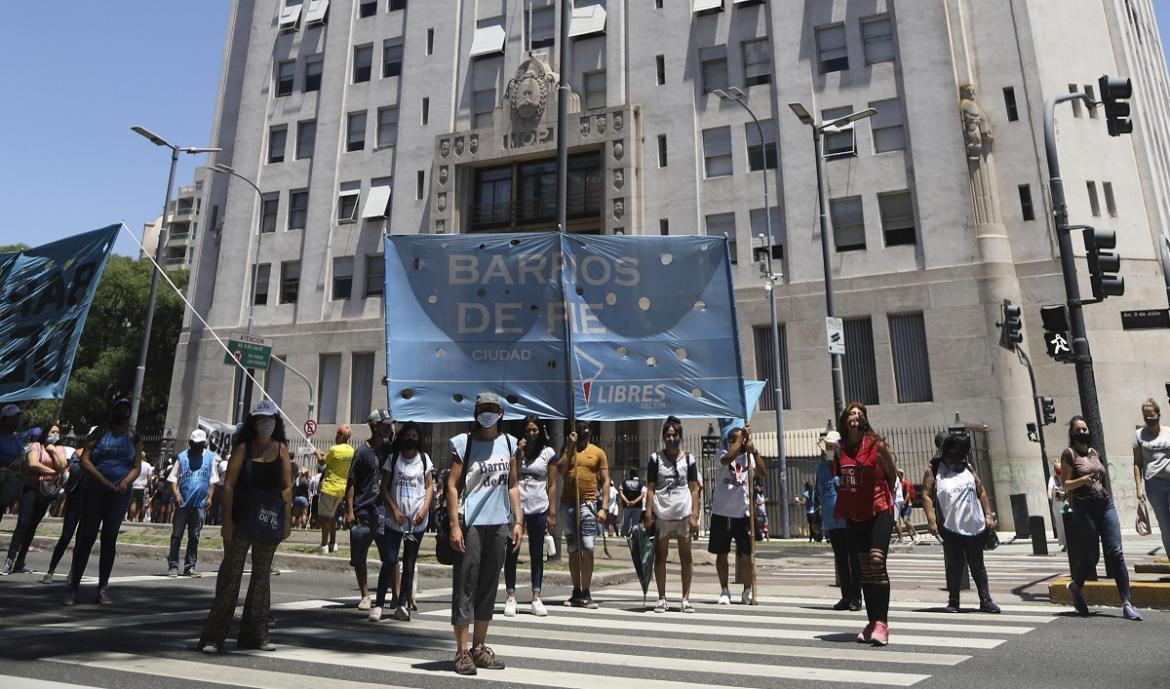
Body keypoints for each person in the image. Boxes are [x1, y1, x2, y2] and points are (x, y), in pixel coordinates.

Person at [199, 399, 293, 652]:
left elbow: (287, 488)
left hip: (268, 521)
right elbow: (228, 485)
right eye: (261, 419)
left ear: (276, 422)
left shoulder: (282, 450)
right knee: (231, 575)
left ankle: (256, 635)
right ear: (253, 423)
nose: (266, 424)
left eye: (270, 419)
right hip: (241, 519)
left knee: (261, 578)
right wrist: (226, 520)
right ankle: (213, 636)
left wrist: (287, 522)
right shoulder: (243, 448)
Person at [446, 393, 523, 675]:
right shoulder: (463, 443)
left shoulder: (509, 443)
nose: (487, 414)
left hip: (499, 523)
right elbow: (452, 486)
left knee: (489, 586)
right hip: (472, 524)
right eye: (483, 410)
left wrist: (518, 520)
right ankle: (462, 651)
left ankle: (479, 647)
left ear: (501, 412)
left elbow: (513, 485)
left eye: (492, 409)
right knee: (466, 584)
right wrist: (455, 525)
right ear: (475, 412)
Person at [1062, 415, 1142, 620]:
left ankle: (1127, 603)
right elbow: (1065, 485)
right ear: (1072, 433)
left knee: (1116, 552)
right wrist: (1082, 480)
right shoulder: (1069, 454)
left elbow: (1101, 476)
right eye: (1078, 429)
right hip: (1084, 507)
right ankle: (1076, 586)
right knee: (1091, 556)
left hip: (1105, 504)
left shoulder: (1094, 452)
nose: (1082, 432)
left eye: (1085, 429)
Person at [65, 398, 143, 605]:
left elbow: (137, 465)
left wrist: (125, 482)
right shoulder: (99, 433)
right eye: (120, 409)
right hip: (95, 491)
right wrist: (103, 480)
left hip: (119, 494)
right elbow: (85, 460)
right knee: (87, 537)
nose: (123, 414)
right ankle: (73, 588)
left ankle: (102, 589)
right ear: (114, 411)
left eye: (127, 411)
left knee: (109, 538)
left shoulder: (134, 436)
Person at [834, 402, 897, 646]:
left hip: (879, 508)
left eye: (860, 414)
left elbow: (891, 475)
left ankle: (882, 622)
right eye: (851, 413)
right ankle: (872, 622)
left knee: (876, 561)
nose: (856, 416)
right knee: (864, 568)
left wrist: (887, 501)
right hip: (855, 513)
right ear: (844, 420)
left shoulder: (876, 444)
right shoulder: (841, 449)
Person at [921, 429, 1001, 614]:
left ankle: (986, 599)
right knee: (955, 564)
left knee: (977, 564)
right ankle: (954, 600)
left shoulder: (969, 468)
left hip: (975, 525)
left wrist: (988, 515)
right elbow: (925, 495)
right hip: (950, 526)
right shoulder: (934, 471)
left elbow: (981, 491)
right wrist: (931, 520)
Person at [376, 419, 432, 621]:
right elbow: (384, 487)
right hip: (395, 520)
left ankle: (402, 604)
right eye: (407, 434)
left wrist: (425, 509)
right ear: (401, 437)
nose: (411, 438)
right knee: (390, 560)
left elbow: (429, 487)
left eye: (414, 435)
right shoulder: (393, 458)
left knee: (409, 563)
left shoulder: (424, 459)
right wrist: (394, 508)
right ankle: (380, 603)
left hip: (416, 522)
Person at [645, 416, 700, 613]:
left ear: (680, 436)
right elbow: (650, 488)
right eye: (667, 436)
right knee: (661, 555)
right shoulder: (655, 459)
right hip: (663, 514)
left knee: (686, 556)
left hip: (683, 514)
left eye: (674, 435)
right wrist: (648, 513)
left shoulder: (689, 459)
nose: (671, 439)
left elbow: (694, 489)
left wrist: (695, 515)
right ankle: (662, 597)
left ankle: (685, 598)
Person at [504, 416, 557, 618]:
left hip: (539, 507)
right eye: (528, 430)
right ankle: (511, 596)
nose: (531, 434)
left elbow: (551, 484)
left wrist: (552, 512)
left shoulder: (548, 453)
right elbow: (512, 477)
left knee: (537, 554)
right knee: (512, 552)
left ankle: (536, 596)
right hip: (518, 508)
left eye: (535, 430)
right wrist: (518, 453)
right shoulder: (517, 451)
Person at [344, 410, 395, 616]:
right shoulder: (362, 453)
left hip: (383, 511)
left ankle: (395, 595)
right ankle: (365, 594)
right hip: (364, 510)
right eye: (385, 425)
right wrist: (349, 511)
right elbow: (351, 484)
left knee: (390, 557)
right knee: (359, 555)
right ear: (375, 427)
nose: (388, 428)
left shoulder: (389, 450)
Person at [709, 425, 766, 605]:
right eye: (732, 439)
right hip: (721, 512)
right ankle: (724, 590)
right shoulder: (721, 453)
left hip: (743, 514)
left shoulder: (748, 456)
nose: (735, 442)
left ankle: (747, 590)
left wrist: (754, 450)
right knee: (722, 553)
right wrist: (741, 438)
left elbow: (763, 472)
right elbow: (727, 459)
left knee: (747, 555)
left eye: (738, 439)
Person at [559, 419, 610, 609]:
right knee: (573, 549)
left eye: (586, 429)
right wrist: (569, 448)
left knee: (587, 547)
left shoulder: (598, 453)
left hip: (588, 504)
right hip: (568, 504)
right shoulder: (567, 449)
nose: (583, 432)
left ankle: (587, 591)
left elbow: (605, 481)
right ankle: (576, 590)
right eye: (579, 429)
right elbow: (561, 469)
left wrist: (603, 507)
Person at [3, 426, 67, 575]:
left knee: (33, 526)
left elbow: (62, 465)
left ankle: (21, 561)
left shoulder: (59, 449)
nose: (55, 434)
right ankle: (10, 559)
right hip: (31, 488)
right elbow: (33, 464)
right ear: (46, 433)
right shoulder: (36, 446)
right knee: (24, 523)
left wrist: (52, 450)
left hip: (46, 492)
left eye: (58, 432)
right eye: (52, 431)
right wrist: (53, 471)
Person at [815, 430, 860, 611]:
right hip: (831, 519)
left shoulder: (846, 464)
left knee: (853, 558)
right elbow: (819, 492)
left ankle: (856, 596)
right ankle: (846, 596)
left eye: (832, 445)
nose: (829, 448)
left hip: (848, 517)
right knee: (840, 558)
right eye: (827, 445)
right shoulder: (821, 467)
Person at [166, 429, 221, 577]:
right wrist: (175, 495)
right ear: (191, 443)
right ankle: (173, 565)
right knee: (177, 535)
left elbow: (213, 480)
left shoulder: (210, 458)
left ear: (204, 444)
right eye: (194, 444)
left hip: (199, 503)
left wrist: (210, 498)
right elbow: (173, 478)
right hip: (182, 503)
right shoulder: (182, 457)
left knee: (194, 536)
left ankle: (190, 566)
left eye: (200, 444)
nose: (197, 447)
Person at [43, 434, 89, 584]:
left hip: (90, 502)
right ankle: (51, 570)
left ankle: (73, 572)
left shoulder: (102, 457)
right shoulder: (79, 453)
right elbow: (74, 471)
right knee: (66, 537)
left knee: (81, 541)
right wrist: (87, 460)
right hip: (75, 500)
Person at [1133, 398, 1170, 558]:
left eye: (1152, 415)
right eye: (1145, 416)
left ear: (1158, 414)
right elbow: (1137, 463)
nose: (1149, 418)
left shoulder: (1169, 432)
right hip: (1153, 485)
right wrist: (1138, 487)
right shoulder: (1139, 435)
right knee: (1165, 526)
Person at [314, 426, 354, 553]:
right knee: (332, 517)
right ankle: (333, 543)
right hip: (341, 489)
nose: (336, 437)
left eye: (337, 434)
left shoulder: (334, 449)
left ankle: (324, 545)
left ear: (341, 435)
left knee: (325, 518)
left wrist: (317, 453)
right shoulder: (351, 451)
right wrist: (323, 455)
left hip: (329, 487)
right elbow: (333, 459)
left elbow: (322, 463)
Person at [0, 405, 26, 525]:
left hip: (5, 487)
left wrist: (20, 459)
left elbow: (23, 456)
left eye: (17, 418)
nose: (16, 421)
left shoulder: (17, 439)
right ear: (4, 420)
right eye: (13, 418)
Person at [893, 469, 918, 545]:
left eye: (897, 472)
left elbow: (907, 494)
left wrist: (904, 501)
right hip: (902, 503)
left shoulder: (904, 482)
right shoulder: (900, 481)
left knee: (903, 520)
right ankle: (912, 538)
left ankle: (915, 534)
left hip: (905, 503)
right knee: (906, 522)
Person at [618, 468, 645, 537]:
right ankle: (634, 537)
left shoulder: (624, 482)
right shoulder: (640, 482)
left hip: (627, 506)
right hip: (637, 506)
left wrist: (627, 501)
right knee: (635, 523)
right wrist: (634, 502)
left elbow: (621, 493)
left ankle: (622, 536)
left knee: (626, 522)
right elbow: (642, 495)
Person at [1047, 463, 1067, 551]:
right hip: (1057, 505)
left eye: (1060, 468)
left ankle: (1071, 542)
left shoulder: (1065, 477)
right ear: (1055, 470)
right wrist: (1049, 496)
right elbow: (1049, 489)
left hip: (1066, 504)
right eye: (1057, 469)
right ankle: (1065, 544)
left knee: (1067, 522)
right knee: (1060, 525)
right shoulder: (1052, 479)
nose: (1058, 470)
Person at [127, 455, 153, 522]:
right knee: (143, 504)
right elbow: (149, 477)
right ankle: (139, 518)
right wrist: (148, 485)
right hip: (143, 487)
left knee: (133, 502)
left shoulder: (134, 463)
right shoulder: (148, 465)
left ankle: (131, 518)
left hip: (134, 485)